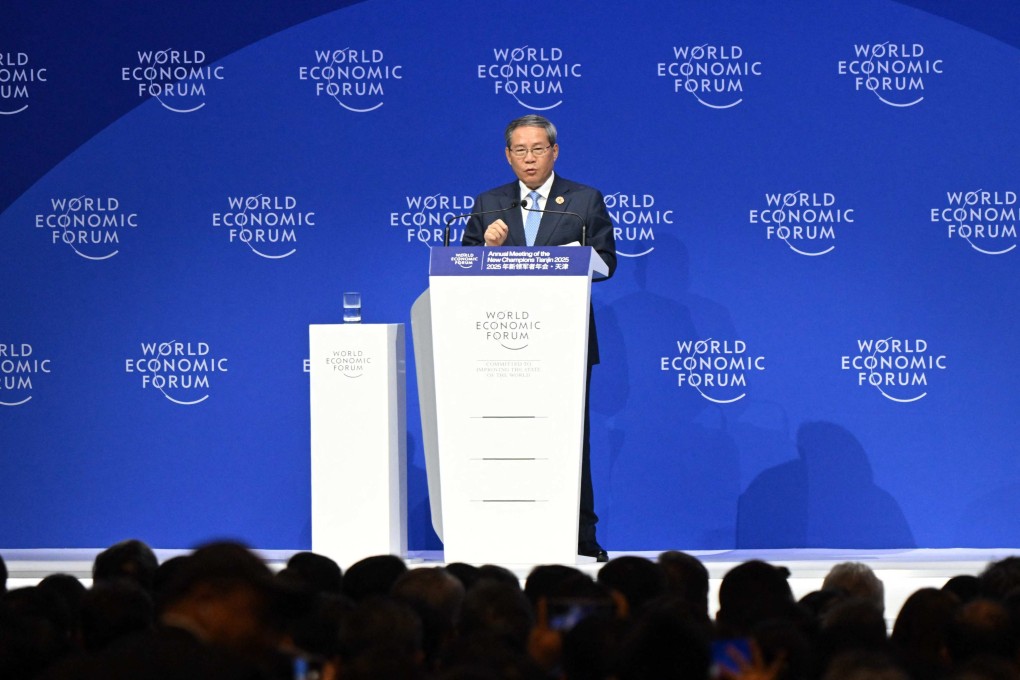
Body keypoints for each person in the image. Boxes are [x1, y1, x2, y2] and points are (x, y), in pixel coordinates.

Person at [462, 114, 617, 562]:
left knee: (569, 439)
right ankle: (503, 531)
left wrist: (566, 261)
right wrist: (486, 252)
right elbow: (463, 269)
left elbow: (607, 262)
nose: (529, 159)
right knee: (506, 437)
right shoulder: (488, 203)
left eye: (538, 149)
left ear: (554, 151)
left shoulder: (584, 201)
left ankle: (580, 537)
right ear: (508, 156)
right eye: (520, 150)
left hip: (563, 343)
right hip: (499, 343)